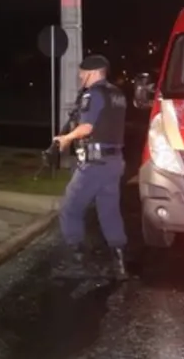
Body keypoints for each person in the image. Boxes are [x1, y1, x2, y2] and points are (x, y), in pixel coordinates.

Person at [52, 54, 129, 279]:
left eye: (82, 74)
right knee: (109, 211)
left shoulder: (93, 93)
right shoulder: (118, 94)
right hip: (115, 162)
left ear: (93, 73)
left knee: (69, 208)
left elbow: (86, 127)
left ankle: (77, 262)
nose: (81, 78)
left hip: (95, 163)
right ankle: (120, 265)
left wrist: (66, 139)